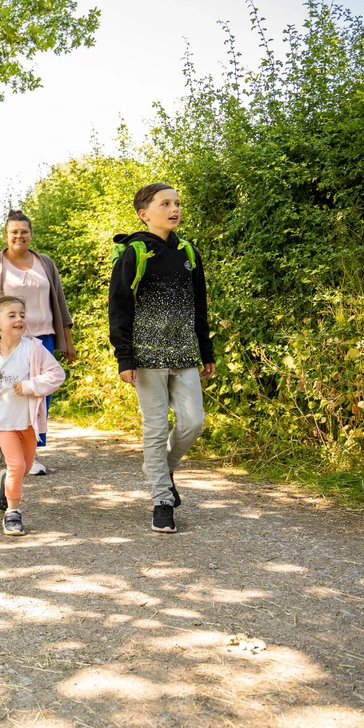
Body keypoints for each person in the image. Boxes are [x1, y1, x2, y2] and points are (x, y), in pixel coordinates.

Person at [108, 182, 216, 534]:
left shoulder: (188, 251)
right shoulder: (135, 252)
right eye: (165, 203)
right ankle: (162, 500)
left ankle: (161, 470)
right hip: (146, 356)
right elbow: (119, 308)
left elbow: (200, 305)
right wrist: (124, 357)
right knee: (154, 428)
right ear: (144, 213)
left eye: (177, 203)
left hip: (185, 353)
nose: (174, 209)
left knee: (193, 422)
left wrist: (206, 350)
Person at [0, 210, 73, 474]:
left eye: (24, 231)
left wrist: (68, 341)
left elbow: (60, 303)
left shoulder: (45, 263)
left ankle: (33, 451)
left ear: (31, 234)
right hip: (8, 339)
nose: (19, 235)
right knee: (5, 391)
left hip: (43, 337)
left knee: (39, 393)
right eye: (14, 231)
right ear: (6, 235)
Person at [0, 296, 66, 536]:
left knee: (23, 468)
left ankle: (6, 483)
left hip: (28, 420)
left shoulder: (34, 349)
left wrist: (30, 386)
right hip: (3, 422)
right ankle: (13, 513)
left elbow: (57, 374)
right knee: (15, 465)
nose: (19, 319)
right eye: (11, 315)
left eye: (22, 315)